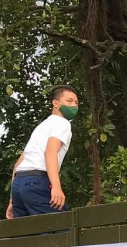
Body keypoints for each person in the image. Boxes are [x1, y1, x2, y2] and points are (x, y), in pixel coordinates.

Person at [6, 85, 79, 218]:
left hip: (19, 184)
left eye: (76, 102)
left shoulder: (41, 127)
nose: (74, 105)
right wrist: (56, 187)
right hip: (37, 181)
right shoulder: (62, 123)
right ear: (55, 103)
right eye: (69, 101)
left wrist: (13, 200)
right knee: (63, 229)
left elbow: (17, 165)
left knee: (27, 234)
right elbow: (50, 152)